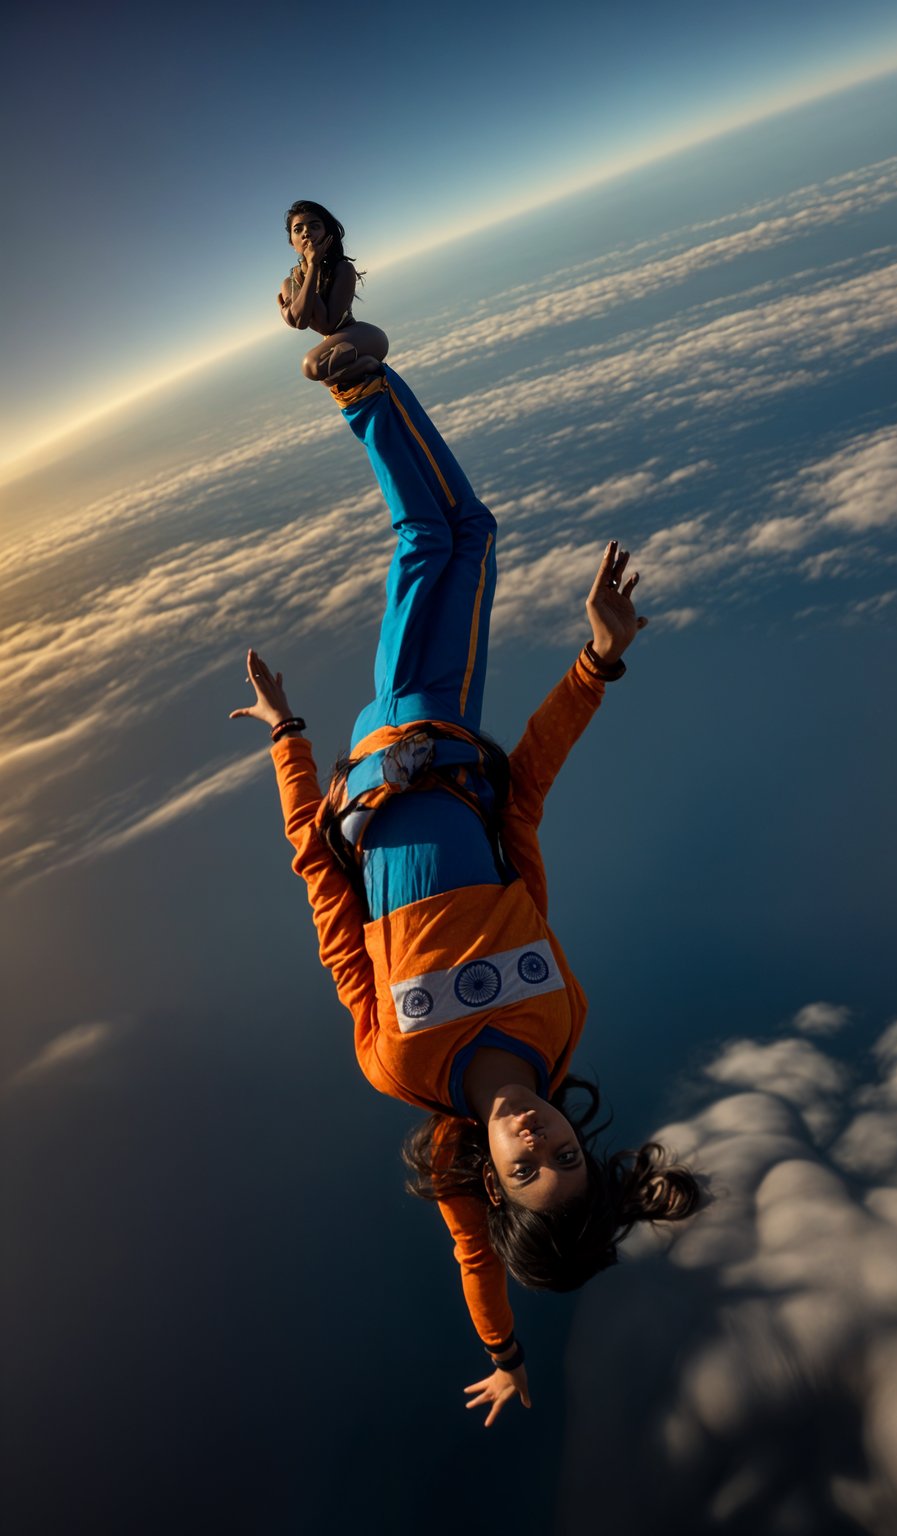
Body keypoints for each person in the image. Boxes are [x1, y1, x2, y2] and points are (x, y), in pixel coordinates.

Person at [230, 366, 699, 1424]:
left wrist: (289, 745)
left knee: (450, 538)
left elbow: (325, 895)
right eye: (567, 1152)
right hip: (443, 734)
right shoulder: (556, 1012)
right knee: (456, 538)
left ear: (491, 1179)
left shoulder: (399, 1061)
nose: (542, 1143)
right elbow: (522, 807)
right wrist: (596, 666)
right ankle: (348, 364)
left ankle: (345, 360)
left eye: (529, 1170)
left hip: (381, 751)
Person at [278, 199, 389, 388]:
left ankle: (370, 362)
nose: (306, 233)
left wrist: (312, 266)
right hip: (336, 352)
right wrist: (307, 275)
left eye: (314, 226)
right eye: (298, 229)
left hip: (363, 337)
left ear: (327, 234)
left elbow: (326, 326)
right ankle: (366, 365)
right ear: (291, 242)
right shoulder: (290, 282)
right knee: (325, 379)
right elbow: (301, 321)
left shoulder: (343, 269)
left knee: (311, 365)